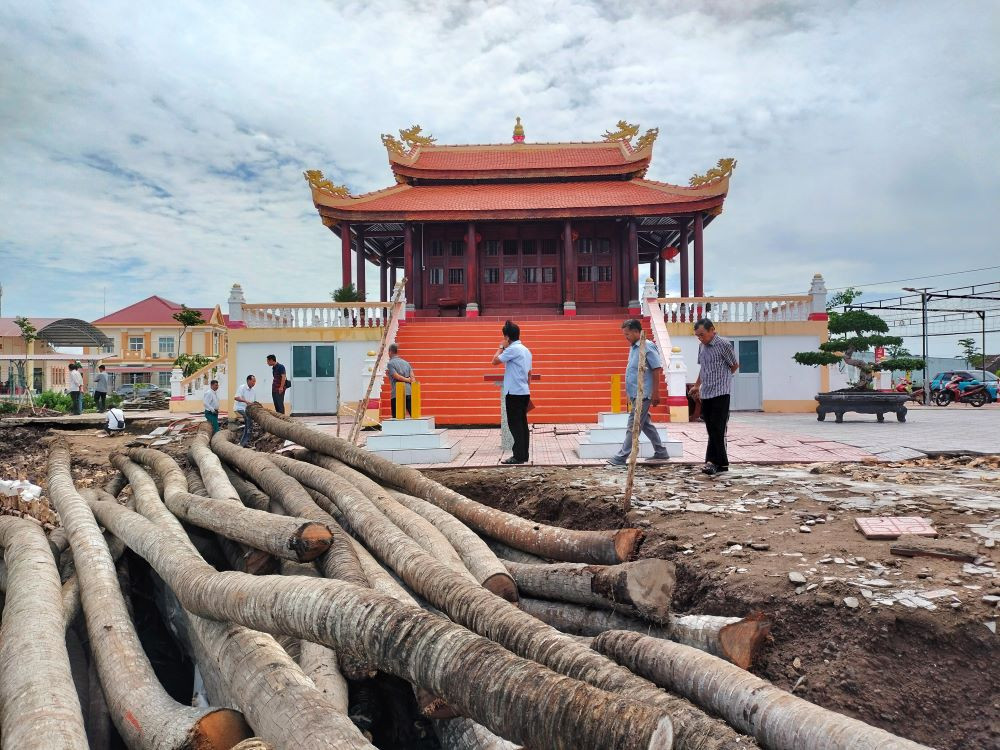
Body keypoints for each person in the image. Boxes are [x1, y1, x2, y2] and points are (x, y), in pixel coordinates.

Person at [608, 319, 669, 466]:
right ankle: (661, 451)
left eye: (627, 334)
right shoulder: (634, 347)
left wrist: (656, 392)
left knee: (633, 424)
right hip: (635, 393)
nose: (626, 337)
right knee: (645, 423)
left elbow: (656, 369)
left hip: (644, 393)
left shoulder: (646, 345)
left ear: (636, 332)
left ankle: (621, 456)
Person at [689, 318, 739, 476]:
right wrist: (697, 385)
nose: (700, 338)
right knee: (711, 429)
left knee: (718, 428)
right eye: (698, 336)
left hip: (721, 392)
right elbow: (703, 368)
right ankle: (720, 463)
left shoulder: (723, 344)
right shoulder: (701, 347)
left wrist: (723, 379)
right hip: (707, 392)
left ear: (712, 330)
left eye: (702, 334)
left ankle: (714, 462)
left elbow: (734, 365)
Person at [492, 320, 532, 465]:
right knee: (522, 424)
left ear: (507, 337)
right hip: (523, 391)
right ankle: (523, 455)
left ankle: (518, 456)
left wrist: (501, 347)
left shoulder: (512, 349)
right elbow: (529, 373)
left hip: (514, 393)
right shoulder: (526, 350)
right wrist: (526, 388)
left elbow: (494, 361)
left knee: (515, 425)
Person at [385, 344, 414, 418]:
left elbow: (396, 376)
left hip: (397, 392)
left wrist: (406, 380)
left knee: (397, 416)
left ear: (390, 352)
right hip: (408, 391)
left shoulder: (390, 363)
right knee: (413, 414)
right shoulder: (406, 363)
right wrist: (409, 380)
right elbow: (413, 378)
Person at [233, 374, 257, 447]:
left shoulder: (253, 391)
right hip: (239, 408)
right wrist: (245, 401)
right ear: (248, 381)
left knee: (249, 424)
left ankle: (245, 442)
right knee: (248, 420)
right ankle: (243, 443)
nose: (254, 383)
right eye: (253, 381)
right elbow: (236, 397)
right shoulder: (242, 387)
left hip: (247, 410)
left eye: (255, 381)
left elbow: (253, 402)